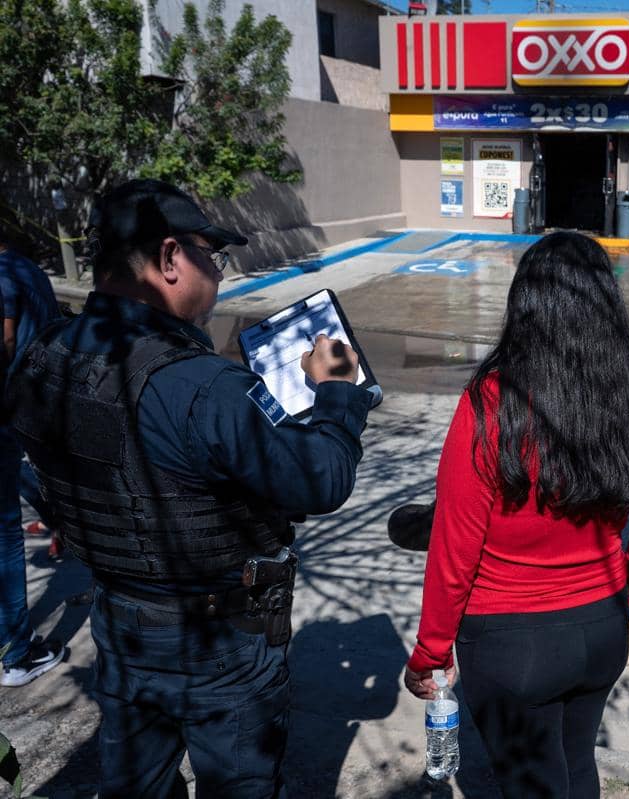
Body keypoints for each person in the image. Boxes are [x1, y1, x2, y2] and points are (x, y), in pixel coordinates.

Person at [3, 179, 374, 797]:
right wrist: (337, 391)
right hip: (218, 645)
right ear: (171, 258)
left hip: (120, 627)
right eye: (214, 255)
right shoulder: (203, 388)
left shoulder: (45, 356)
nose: (221, 274)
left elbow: (46, 468)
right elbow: (321, 480)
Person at [403, 232, 629, 799]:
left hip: (510, 642)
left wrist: (431, 651)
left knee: (538, 785)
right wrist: (626, 591)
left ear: (523, 304)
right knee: (577, 768)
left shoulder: (489, 403)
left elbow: (455, 544)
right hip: (601, 627)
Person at [0, 228, 64, 686]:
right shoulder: (25, 271)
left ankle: (18, 652)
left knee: (3, 535)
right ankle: (16, 651)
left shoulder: (5, 276)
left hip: (9, 410)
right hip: (26, 406)